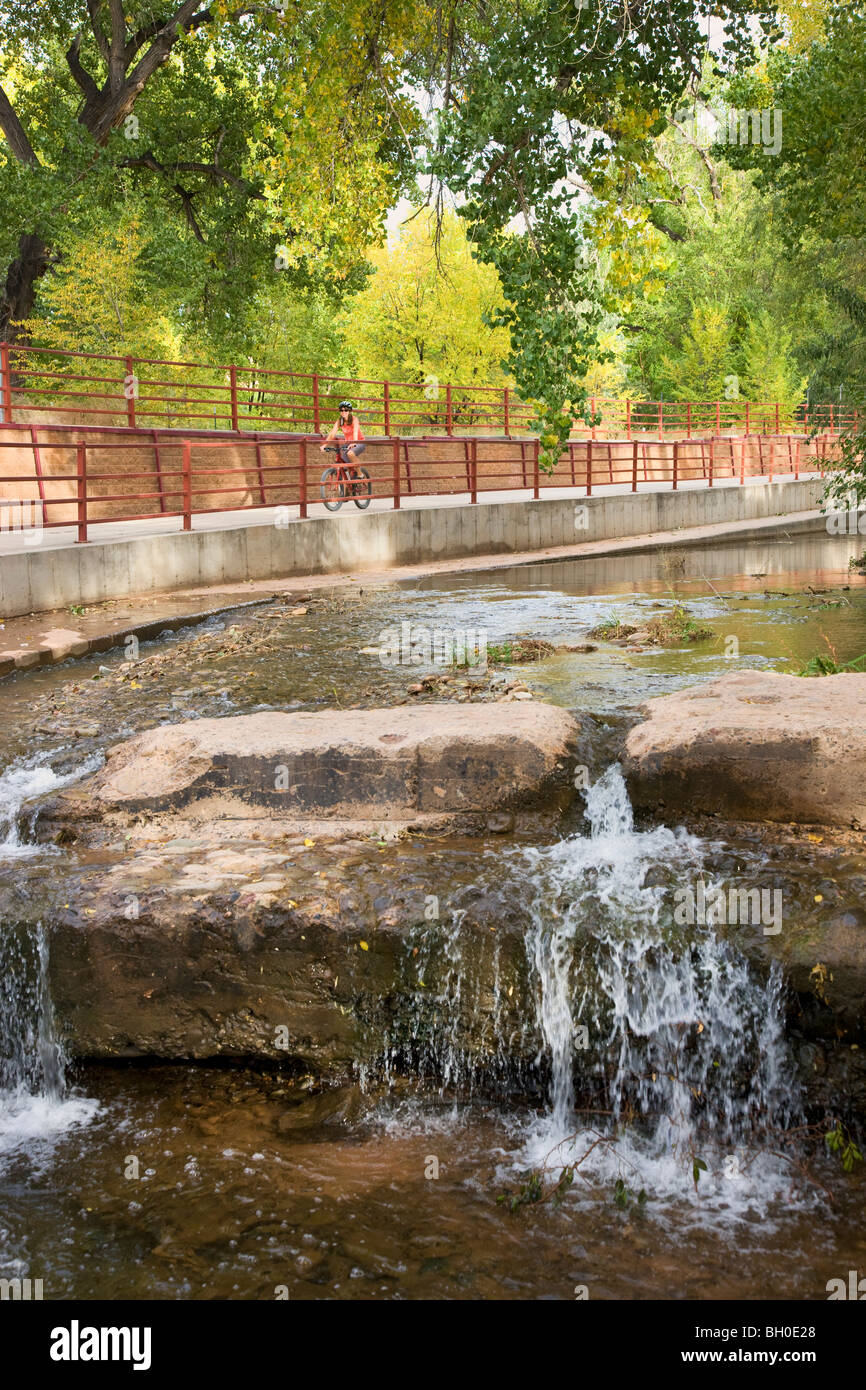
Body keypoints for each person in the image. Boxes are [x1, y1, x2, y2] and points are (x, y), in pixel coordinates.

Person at [321, 400, 366, 475]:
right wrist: (324, 445)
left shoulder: (354, 419)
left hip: (359, 441)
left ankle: (360, 474)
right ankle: (348, 481)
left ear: (349, 411)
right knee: (342, 460)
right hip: (348, 443)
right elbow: (332, 434)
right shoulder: (340, 421)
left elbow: (355, 432)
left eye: (346, 410)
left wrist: (354, 442)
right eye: (341, 410)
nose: (343, 412)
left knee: (350, 454)